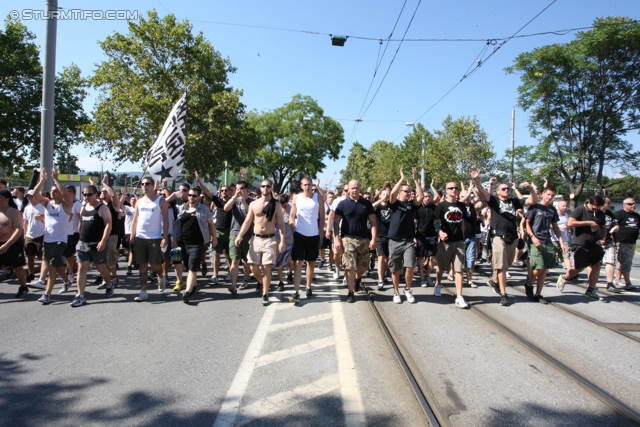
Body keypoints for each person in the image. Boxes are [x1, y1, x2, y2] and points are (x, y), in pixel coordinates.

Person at [471, 166, 538, 306]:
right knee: (501, 267)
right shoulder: (494, 201)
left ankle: (495, 282)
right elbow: (483, 193)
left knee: (506, 266)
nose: (507, 190)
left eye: (508, 188)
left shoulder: (514, 201)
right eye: (503, 189)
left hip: (512, 237)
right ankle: (503, 294)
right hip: (498, 237)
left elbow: (532, 201)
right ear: (497, 191)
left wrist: (531, 189)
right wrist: (476, 180)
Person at [234, 179, 286, 305]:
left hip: (270, 239)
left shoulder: (276, 204)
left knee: (267, 267)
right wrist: (239, 235)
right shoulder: (254, 204)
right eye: (263, 186)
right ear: (260, 188)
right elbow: (247, 221)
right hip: (256, 238)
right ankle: (263, 282)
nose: (265, 188)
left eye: (268, 186)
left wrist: (283, 241)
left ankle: (265, 293)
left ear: (271, 188)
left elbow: (281, 224)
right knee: (252, 266)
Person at [31, 167, 74, 304]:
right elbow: (35, 194)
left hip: (60, 240)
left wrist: (55, 178)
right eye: (51, 191)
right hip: (47, 239)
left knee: (52, 267)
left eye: (56, 191)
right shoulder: (48, 204)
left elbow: (66, 193)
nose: (53, 193)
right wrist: (43, 180)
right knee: (53, 263)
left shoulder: (66, 205)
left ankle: (47, 294)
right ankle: (67, 281)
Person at [333, 180, 377, 303]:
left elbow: (373, 221)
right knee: (349, 266)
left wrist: (373, 238)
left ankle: (357, 279)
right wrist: (337, 238)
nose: (354, 190)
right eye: (352, 188)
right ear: (348, 189)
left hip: (363, 239)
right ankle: (350, 292)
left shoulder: (366, 204)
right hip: (348, 239)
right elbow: (336, 222)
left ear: (360, 188)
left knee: (363, 265)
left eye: (356, 188)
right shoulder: (342, 204)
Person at [556, 195, 606, 300]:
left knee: (597, 265)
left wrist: (603, 237)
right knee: (579, 268)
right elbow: (570, 222)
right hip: (581, 243)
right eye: (594, 208)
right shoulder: (580, 210)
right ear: (590, 203)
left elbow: (602, 226)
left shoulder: (600, 213)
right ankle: (565, 277)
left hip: (595, 243)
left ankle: (590, 290)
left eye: (599, 208)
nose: (596, 210)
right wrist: (588, 222)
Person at [173, 186, 217, 303]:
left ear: (198, 197)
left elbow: (211, 224)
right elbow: (177, 225)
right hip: (183, 243)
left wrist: (214, 238)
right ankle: (195, 285)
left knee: (192, 268)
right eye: (190, 195)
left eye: (194, 195)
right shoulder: (182, 208)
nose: (191, 197)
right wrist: (175, 239)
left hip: (197, 244)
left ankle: (187, 292)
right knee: (188, 267)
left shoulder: (204, 209)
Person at [524, 186, 567, 304]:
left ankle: (538, 293)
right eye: (548, 194)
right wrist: (533, 237)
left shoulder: (552, 210)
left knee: (544, 269)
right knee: (539, 266)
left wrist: (561, 241)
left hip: (547, 240)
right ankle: (529, 283)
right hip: (535, 241)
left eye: (552, 195)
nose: (550, 197)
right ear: (543, 194)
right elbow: (527, 223)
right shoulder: (534, 207)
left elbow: (555, 226)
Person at [72, 185, 113, 307]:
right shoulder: (83, 207)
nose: (86, 197)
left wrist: (103, 241)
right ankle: (80, 295)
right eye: (84, 194)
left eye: (89, 194)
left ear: (96, 194)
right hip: (83, 243)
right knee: (81, 268)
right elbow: (81, 223)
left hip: (97, 244)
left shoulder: (102, 208)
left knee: (100, 267)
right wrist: (80, 238)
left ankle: (109, 283)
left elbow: (108, 225)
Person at [130, 176, 170, 302]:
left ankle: (160, 277)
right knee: (142, 264)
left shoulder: (160, 200)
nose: (144, 186)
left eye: (147, 184)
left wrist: (165, 237)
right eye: (142, 184)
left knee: (155, 264)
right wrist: (132, 236)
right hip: (140, 236)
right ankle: (143, 291)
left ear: (153, 186)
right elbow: (135, 220)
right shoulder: (139, 201)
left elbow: (165, 220)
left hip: (155, 237)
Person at [386, 167, 423, 303]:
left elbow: (421, 196)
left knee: (410, 266)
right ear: (400, 192)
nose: (408, 193)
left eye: (409, 191)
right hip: (395, 240)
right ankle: (396, 292)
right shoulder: (394, 203)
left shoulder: (411, 205)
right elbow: (392, 194)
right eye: (406, 191)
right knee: (395, 269)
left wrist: (415, 180)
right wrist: (401, 179)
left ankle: (407, 289)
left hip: (408, 240)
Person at [433, 181, 469, 308]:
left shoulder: (461, 205)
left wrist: (463, 237)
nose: (454, 190)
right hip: (445, 242)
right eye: (451, 188)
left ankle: (459, 296)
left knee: (459, 270)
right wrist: (440, 232)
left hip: (459, 242)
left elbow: (463, 222)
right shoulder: (441, 206)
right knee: (441, 267)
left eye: (455, 188)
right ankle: (437, 284)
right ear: (446, 190)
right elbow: (436, 222)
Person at [289, 176, 325, 302]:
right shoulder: (296, 197)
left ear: (312, 185)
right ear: (301, 186)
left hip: (313, 235)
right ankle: (296, 291)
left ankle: (308, 287)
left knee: (310, 262)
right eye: (304, 185)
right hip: (299, 233)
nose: (307, 187)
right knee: (298, 263)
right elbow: (292, 215)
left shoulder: (318, 198)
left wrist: (320, 233)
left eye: (309, 184)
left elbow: (322, 216)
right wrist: (293, 230)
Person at [225, 180, 253, 292]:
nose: (239, 191)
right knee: (235, 260)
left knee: (247, 261)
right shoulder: (234, 200)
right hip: (234, 233)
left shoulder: (252, 202)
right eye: (237, 188)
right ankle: (233, 284)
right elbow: (226, 208)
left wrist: (244, 200)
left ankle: (245, 280)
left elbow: (249, 213)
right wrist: (233, 197)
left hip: (248, 234)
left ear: (246, 190)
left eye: (241, 188)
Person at [0, 189, 29, 298]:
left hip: (12, 244)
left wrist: (7, 244)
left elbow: (18, 229)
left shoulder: (13, 212)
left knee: (18, 267)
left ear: (7, 199)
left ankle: (23, 287)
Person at [613, 198, 640, 291]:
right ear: (624, 205)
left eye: (634, 204)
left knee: (624, 262)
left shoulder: (637, 216)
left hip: (632, 242)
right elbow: (612, 227)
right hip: (621, 242)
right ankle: (628, 283)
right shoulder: (618, 214)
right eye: (630, 204)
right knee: (626, 262)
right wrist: (613, 240)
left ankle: (617, 280)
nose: (633, 205)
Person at [600, 197, 621, 293]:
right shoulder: (596, 213)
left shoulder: (610, 214)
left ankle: (609, 283)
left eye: (610, 202)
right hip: (597, 241)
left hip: (609, 241)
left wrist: (616, 227)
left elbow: (615, 224)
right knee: (595, 263)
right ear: (602, 203)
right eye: (608, 203)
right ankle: (591, 280)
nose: (609, 204)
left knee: (611, 262)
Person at [23, 190, 45, 284]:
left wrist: (43, 217)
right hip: (30, 235)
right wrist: (25, 234)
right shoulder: (27, 208)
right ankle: (31, 273)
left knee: (41, 257)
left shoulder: (43, 207)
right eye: (28, 196)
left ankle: (42, 275)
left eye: (31, 196)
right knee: (29, 256)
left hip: (41, 235)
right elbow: (26, 222)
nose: (29, 198)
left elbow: (49, 219)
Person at [372, 187, 392, 290]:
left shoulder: (392, 206)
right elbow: (371, 206)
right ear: (380, 195)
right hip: (380, 235)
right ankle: (380, 280)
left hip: (390, 236)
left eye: (387, 194)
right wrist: (381, 199)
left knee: (386, 259)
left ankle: (384, 274)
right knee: (380, 257)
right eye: (383, 194)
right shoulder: (378, 207)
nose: (386, 196)